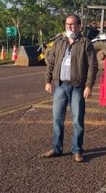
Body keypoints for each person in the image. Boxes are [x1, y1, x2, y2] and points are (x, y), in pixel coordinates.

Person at [42, 14, 98, 163]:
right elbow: (51, 63)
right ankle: (56, 148)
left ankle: (77, 150)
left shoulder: (85, 43)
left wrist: (88, 86)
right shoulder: (59, 42)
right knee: (57, 119)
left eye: (73, 25)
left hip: (77, 87)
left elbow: (93, 66)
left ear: (79, 26)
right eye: (68, 25)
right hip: (60, 86)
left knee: (77, 120)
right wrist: (48, 81)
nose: (70, 27)